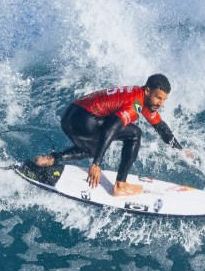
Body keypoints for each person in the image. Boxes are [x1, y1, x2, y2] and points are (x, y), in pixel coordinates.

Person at [34, 73, 194, 196]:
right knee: (135, 133)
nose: (160, 103)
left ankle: (52, 159)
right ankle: (120, 185)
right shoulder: (134, 103)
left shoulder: (143, 100)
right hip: (83, 120)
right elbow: (110, 129)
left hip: (71, 116)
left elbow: (161, 128)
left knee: (92, 148)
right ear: (147, 90)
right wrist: (96, 164)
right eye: (158, 98)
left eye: (164, 100)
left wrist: (180, 151)